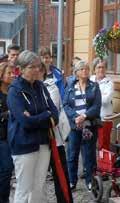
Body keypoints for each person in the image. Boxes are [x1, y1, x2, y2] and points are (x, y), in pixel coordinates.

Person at [7, 50, 58, 203]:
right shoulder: (14, 91)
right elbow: (25, 122)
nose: (37, 70)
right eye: (32, 67)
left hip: (43, 141)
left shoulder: (41, 87)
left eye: (38, 66)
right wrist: (45, 115)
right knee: (24, 188)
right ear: (21, 69)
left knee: (39, 186)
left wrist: (40, 116)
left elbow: (54, 112)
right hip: (24, 144)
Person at [63, 60, 101, 191]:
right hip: (74, 127)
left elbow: (96, 106)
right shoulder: (70, 86)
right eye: (82, 69)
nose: (85, 71)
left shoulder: (94, 86)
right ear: (76, 72)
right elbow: (65, 105)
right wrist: (75, 117)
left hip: (89, 126)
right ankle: (72, 181)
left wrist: (84, 116)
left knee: (89, 154)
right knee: (72, 154)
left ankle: (90, 181)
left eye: (86, 69)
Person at [38, 63, 73, 203]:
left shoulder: (50, 86)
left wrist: (33, 116)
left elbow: (51, 112)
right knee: (38, 179)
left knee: (60, 175)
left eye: (38, 69)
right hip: (36, 141)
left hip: (54, 138)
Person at [0, 62, 15, 203]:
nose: (12, 75)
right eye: (8, 73)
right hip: (2, 136)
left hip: (13, 135)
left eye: (13, 73)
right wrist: (8, 114)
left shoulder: (13, 90)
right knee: (6, 168)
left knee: (7, 171)